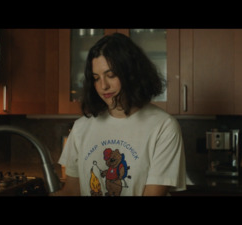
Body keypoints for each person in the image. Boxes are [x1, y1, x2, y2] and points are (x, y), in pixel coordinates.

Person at [54, 33, 186, 196]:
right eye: (96, 78)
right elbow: (72, 191)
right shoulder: (81, 127)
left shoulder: (163, 127)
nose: (103, 86)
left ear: (132, 74)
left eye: (111, 75)